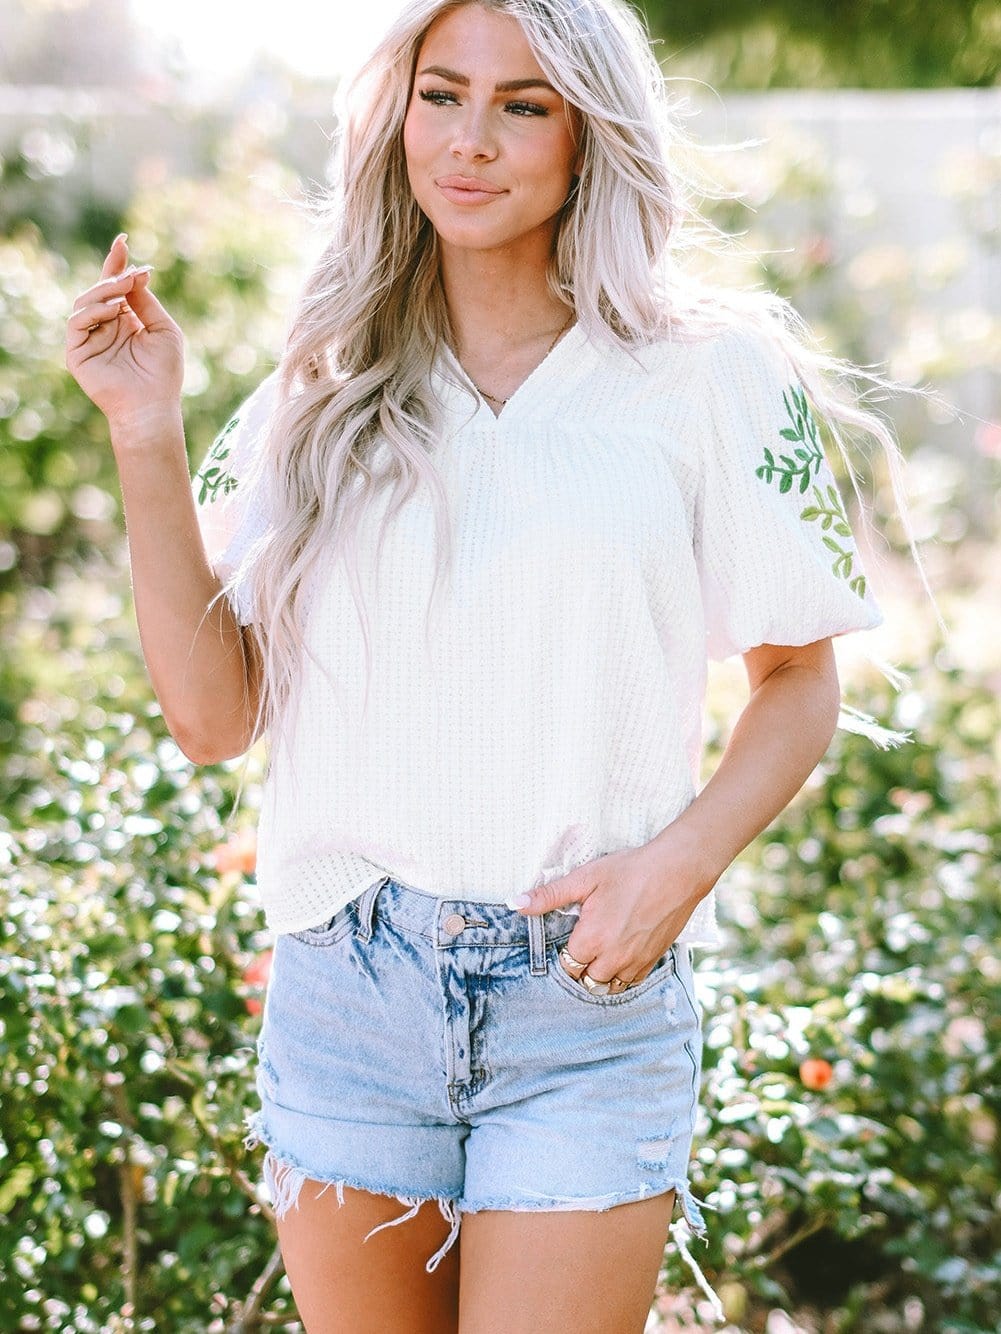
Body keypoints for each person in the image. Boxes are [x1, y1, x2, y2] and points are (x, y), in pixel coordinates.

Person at [65, 1, 924, 1329]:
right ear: (395, 114)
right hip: (347, 990)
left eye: (523, 105)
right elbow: (213, 715)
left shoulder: (706, 375)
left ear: (590, 135)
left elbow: (795, 680)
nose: (470, 141)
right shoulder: (321, 384)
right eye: (441, 94)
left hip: (582, 996)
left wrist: (673, 868)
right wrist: (144, 431)